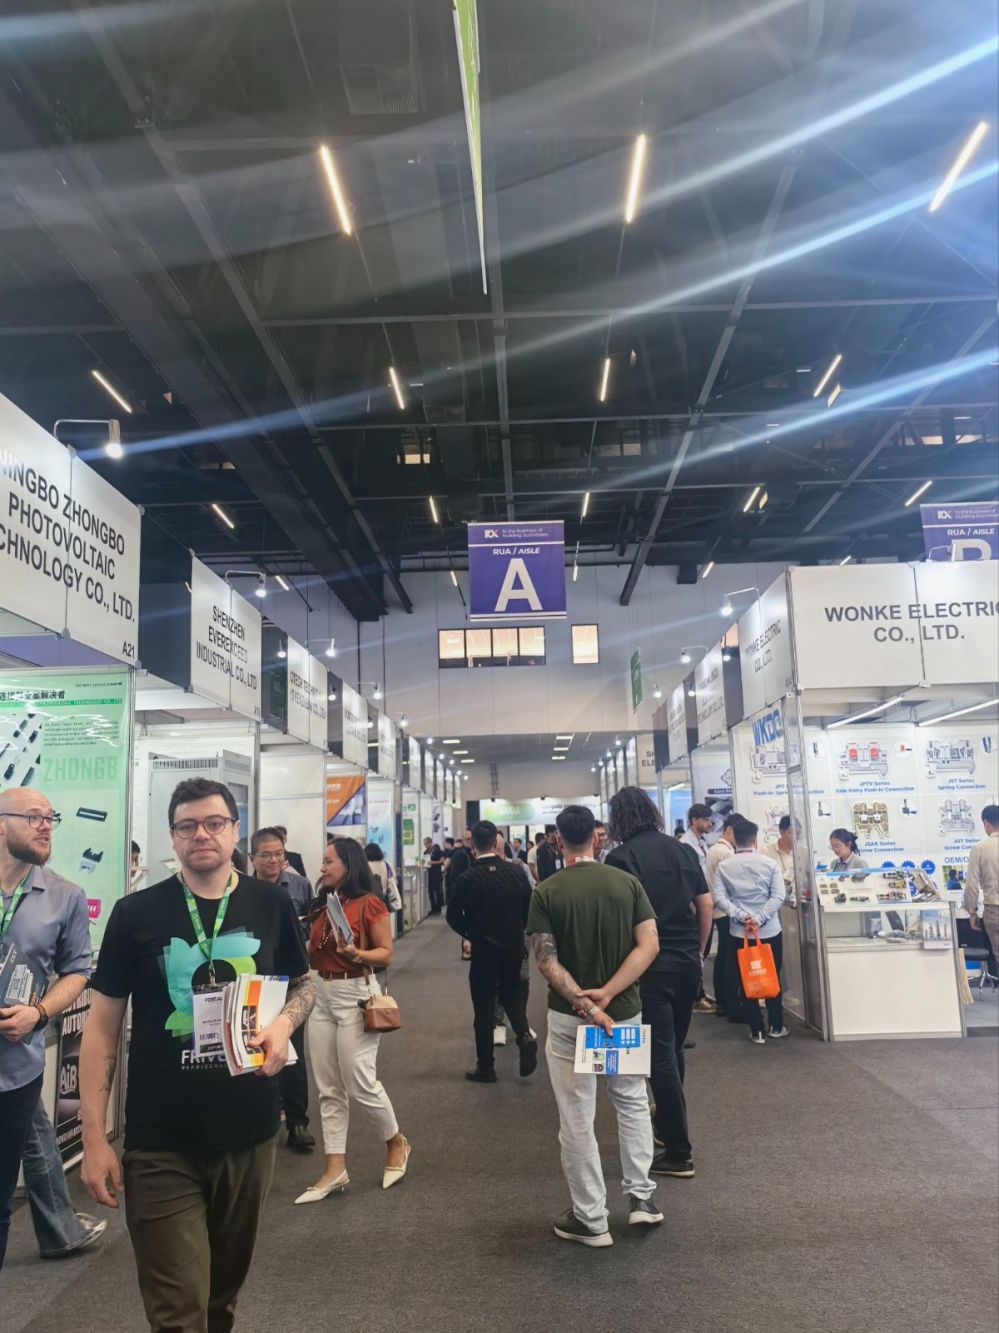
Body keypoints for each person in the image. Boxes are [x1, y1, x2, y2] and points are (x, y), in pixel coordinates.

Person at [80, 778, 315, 1331]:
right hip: (160, 1142)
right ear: (172, 836)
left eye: (214, 823)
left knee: (220, 1298)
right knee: (178, 1310)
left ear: (235, 830)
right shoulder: (135, 913)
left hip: (250, 1133)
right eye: (187, 826)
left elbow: (304, 984)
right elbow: (101, 1029)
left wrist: (284, 1024)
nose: (200, 834)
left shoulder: (270, 903)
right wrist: (94, 1136)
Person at [528, 804, 663, 1246]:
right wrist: (608, 993)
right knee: (632, 1101)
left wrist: (586, 1004)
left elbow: (546, 960)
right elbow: (649, 945)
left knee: (576, 1116)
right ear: (596, 837)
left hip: (571, 1019)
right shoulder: (626, 884)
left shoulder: (547, 890)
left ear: (558, 840)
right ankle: (642, 1199)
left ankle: (591, 1219)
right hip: (623, 1012)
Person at [0, 788, 102, 1269]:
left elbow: (78, 971)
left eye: (50, 818)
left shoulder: (65, 896)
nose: (46, 825)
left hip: (14, 1072)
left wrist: (38, 1013)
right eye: (34, 817)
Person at [605, 788, 711, 1179]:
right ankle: (667, 1127)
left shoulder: (621, 858)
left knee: (659, 1056)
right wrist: (699, 952)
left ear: (619, 818)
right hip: (686, 963)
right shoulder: (683, 851)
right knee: (673, 1049)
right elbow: (705, 905)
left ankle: (679, 1152)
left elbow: (619, 918)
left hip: (648, 966)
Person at [298, 838, 409, 1203]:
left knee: (359, 1082)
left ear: (348, 863)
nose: (322, 868)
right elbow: (313, 950)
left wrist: (355, 952)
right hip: (320, 994)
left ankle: (395, 1140)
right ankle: (335, 1168)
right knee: (328, 1087)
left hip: (355, 996)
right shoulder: (322, 904)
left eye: (328, 861)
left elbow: (385, 954)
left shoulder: (369, 903)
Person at [446, 821, 537, 1083]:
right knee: (511, 996)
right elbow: (528, 909)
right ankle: (524, 1036)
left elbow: (453, 914)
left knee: (484, 1007)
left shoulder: (468, 877)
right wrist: (517, 931)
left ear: (473, 844)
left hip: (484, 951)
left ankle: (486, 1066)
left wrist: (471, 933)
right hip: (512, 948)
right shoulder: (515, 872)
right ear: (497, 842)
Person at [250, 827, 316, 1154]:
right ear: (253, 859)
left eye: (279, 854)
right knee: (254, 1049)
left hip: (291, 979)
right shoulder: (242, 891)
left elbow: (312, 925)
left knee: (294, 1053)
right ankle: (264, 1117)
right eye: (266, 855)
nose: (273, 860)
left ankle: (297, 1121)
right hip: (255, 983)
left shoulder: (299, 885)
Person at [712, 817, 787, 1045]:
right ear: (754, 840)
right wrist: (760, 918)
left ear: (735, 839)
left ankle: (757, 1030)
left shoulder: (725, 866)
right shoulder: (769, 864)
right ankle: (776, 1025)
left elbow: (719, 898)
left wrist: (741, 916)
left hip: (740, 932)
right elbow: (778, 896)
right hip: (769, 931)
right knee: (772, 976)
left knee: (747, 978)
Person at [703, 812, 740, 1018]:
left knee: (724, 956)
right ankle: (728, 1003)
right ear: (729, 830)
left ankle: (723, 1003)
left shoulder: (716, 850)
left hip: (719, 909)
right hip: (725, 910)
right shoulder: (724, 853)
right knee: (729, 959)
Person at [964, 804, 999, 962]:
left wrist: (972, 911)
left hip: (994, 910)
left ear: (986, 823)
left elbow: (971, 884)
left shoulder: (979, 849)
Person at [364, 844, 403, 912]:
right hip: (383, 901)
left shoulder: (365, 866)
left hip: (368, 902)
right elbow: (394, 881)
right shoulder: (387, 865)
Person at [764, 817, 796, 897]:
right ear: (781, 832)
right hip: (776, 900)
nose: (796, 836)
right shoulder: (766, 852)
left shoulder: (802, 852)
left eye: (798, 833)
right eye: (792, 832)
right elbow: (763, 882)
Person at [680, 804, 713, 872]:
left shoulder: (702, 842)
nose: (710, 824)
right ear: (694, 820)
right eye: (706, 820)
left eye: (710, 820)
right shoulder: (685, 844)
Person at [424, 836, 445, 914]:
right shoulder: (426, 852)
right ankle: (433, 908)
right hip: (429, 873)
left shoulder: (436, 850)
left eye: (426, 843)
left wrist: (433, 863)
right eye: (424, 844)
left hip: (436, 873)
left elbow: (442, 860)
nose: (425, 845)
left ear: (430, 843)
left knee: (437, 890)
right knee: (430, 891)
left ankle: (438, 908)